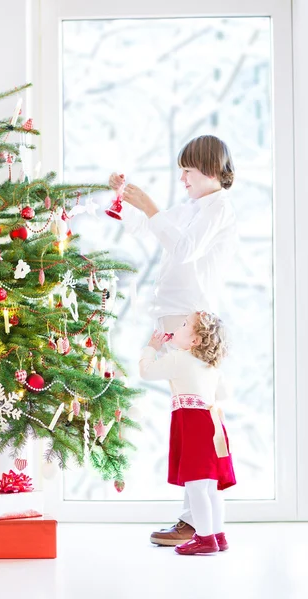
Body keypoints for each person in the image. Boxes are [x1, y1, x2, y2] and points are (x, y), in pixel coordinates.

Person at [109, 134, 238, 546]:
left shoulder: (217, 208)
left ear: (211, 169)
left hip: (191, 319)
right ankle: (198, 518)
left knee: (196, 415)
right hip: (179, 317)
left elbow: (182, 249)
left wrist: (149, 206)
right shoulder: (195, 207)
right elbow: (154, 230)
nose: (181, 176)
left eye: (188, 168)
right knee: (190, 413)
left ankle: (196, 520)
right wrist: (129, 201)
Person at [139, 312, 236, 555]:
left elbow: (146, 372)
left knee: (196, 487)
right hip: (214, 425)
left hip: (194, 426)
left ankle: (204, 539)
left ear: (194, 341)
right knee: (212, 487)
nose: (178, 326)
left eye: (184, 325)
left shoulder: (179, 360)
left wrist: (152, 347)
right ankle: (217, 534)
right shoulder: (210, 365)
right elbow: (223, 394)